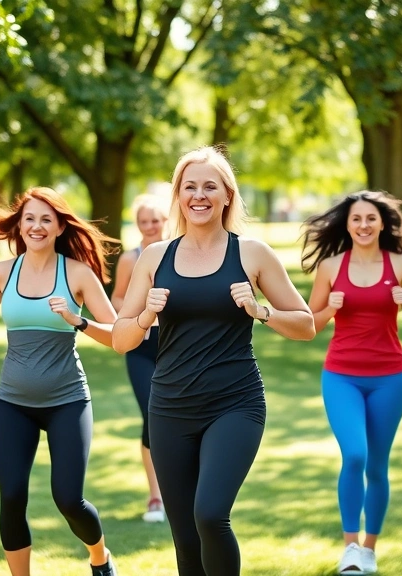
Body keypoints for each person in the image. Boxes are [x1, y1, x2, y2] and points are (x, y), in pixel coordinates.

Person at [112, 146, 315, 576]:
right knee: (185, 537)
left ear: (227, 195)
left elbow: (305, 324)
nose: (199, 195)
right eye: (190, 187)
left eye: (210, 186)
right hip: (169, 407)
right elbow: (120, 339)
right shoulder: (154, 257)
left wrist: (262, 311)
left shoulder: (252, 254)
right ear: (178, 196)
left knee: (209, 515)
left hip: (234, 404)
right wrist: (147, 313)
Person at [0, 187, 121, 576]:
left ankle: (100, 558)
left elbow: (117, 336)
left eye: (45, 220)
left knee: (69, 499)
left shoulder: (77, 274)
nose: (36, 226)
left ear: (58, 227)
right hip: (14, 404)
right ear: (19, 225)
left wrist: (78, 320)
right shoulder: (2, 272)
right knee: (12, 496)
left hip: (67, 402)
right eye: (29, 218)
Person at [301, 191, 402, 575]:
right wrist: (329, 309)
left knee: (377, 466)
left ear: (383, 223)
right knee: (355, 454)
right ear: (347, 224)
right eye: (357, 219)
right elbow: (309, 326)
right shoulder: (331, 266)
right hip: (341, 377)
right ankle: (349, 546)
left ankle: (369, 549)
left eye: (371, 218)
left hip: (389, 378)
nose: (364, 225)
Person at [109, 194, 169, 523]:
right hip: (141, 345)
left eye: (155, 221)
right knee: (151, 414)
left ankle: (181, 490)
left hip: (174, 344)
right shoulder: (131, 259)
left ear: (164, 221)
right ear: (138, 225)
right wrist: (134, 314)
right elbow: (117, 296)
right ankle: (156, 496)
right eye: (144, 222)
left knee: (180, 415)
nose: (150, 227)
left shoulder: (178, 253)